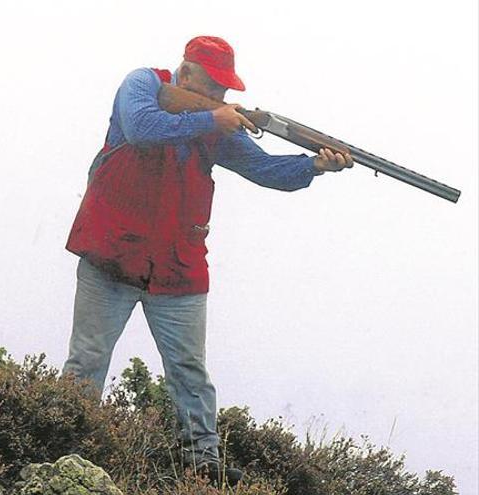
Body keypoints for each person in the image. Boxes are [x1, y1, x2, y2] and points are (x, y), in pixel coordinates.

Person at [62, 35, 353, 486]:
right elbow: (140, 127)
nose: (220, 95)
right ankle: (66, 444)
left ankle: (202, 464)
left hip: (176, 269)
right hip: (112, 255)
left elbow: (264, 170)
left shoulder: (215, 124)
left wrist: (314, 166)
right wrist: (209, 119)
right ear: (187, 73)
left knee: (190, 371)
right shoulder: (142, 84)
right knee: (88, 357)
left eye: (224, 88)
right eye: (214, 84)